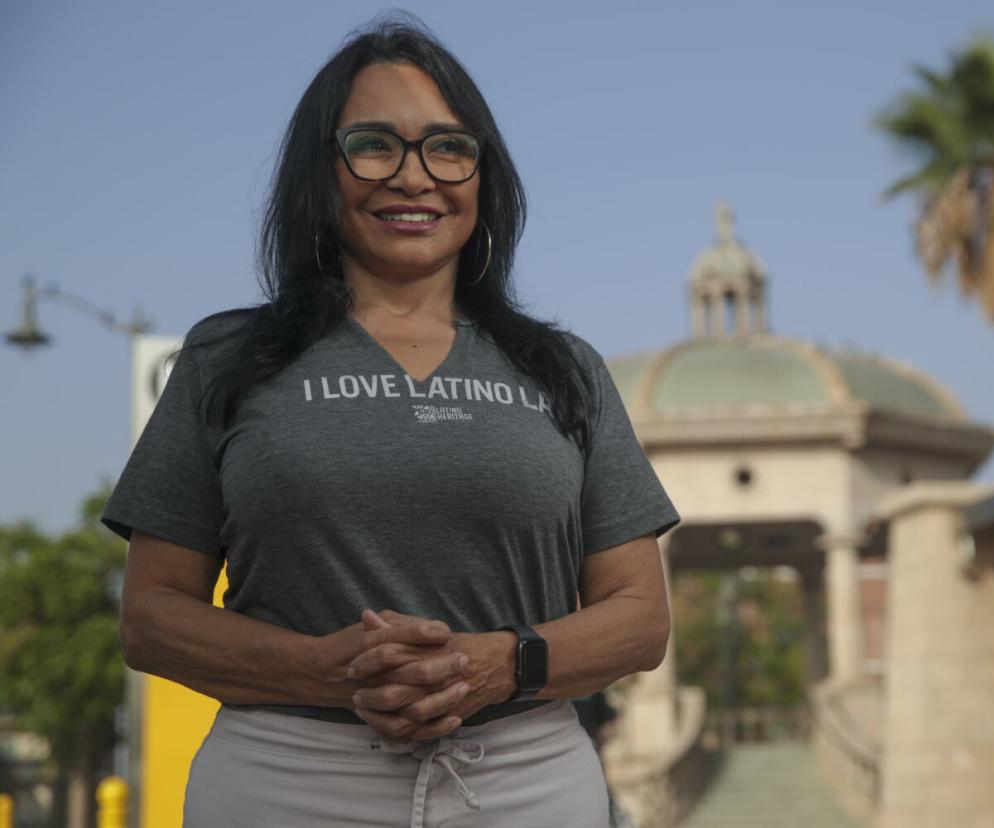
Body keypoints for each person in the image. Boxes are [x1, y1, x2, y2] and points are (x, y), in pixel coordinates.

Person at [103, 17, 679, 828]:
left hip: (522, 783)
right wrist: (320, 670)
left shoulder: (566, 369)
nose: (415, 177)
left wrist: (502, 664)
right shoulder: (226, 358)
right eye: (374, 145)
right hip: (284, 782)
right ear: (320, 171)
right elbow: (152, 617)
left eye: (449, 148)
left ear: (483, 177)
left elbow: (640, 618)